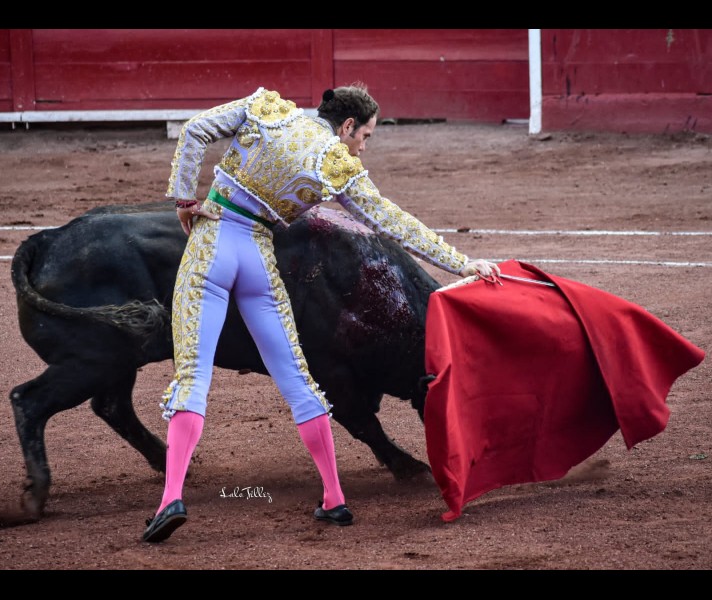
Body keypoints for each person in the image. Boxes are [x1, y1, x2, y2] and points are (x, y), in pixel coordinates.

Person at [142, 84, 501, 543]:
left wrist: (184, 201)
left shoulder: (267, 109)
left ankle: (171, 499)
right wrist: (462, 263)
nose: (363, 147)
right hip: (258, 258)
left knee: (193, 375)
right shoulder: (337, 166)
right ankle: (334, 498)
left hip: (212, 242)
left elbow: (194, 130)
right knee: (298, 380)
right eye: (365, 136)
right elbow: (391, 220)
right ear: (347, 125)